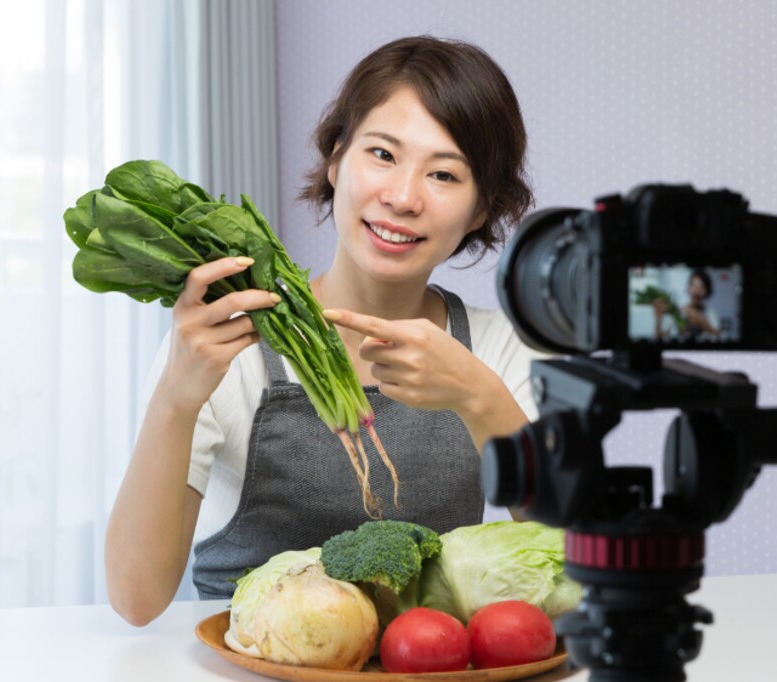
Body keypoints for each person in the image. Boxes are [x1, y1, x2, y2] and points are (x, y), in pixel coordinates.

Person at [104, 36, 542, 626]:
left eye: (443, 174)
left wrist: (481, 397)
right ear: (336, 160)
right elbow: (136, 600)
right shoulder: (225, 344)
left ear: (481, 209)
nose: (402, 198)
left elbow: (576, 563)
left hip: (425, 662)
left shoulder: (499, 349)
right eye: (382, 154)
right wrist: (175, 399)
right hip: (253, 658)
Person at [652, 268, 722, 341]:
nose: (696, 290)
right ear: (688, 288)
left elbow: (719, 336)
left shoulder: (711, 314)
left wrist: (704, 325)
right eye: (693, 285)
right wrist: (658, 320)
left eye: (701, 286)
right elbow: (660, 336)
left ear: (707, 291)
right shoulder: (678, 312)